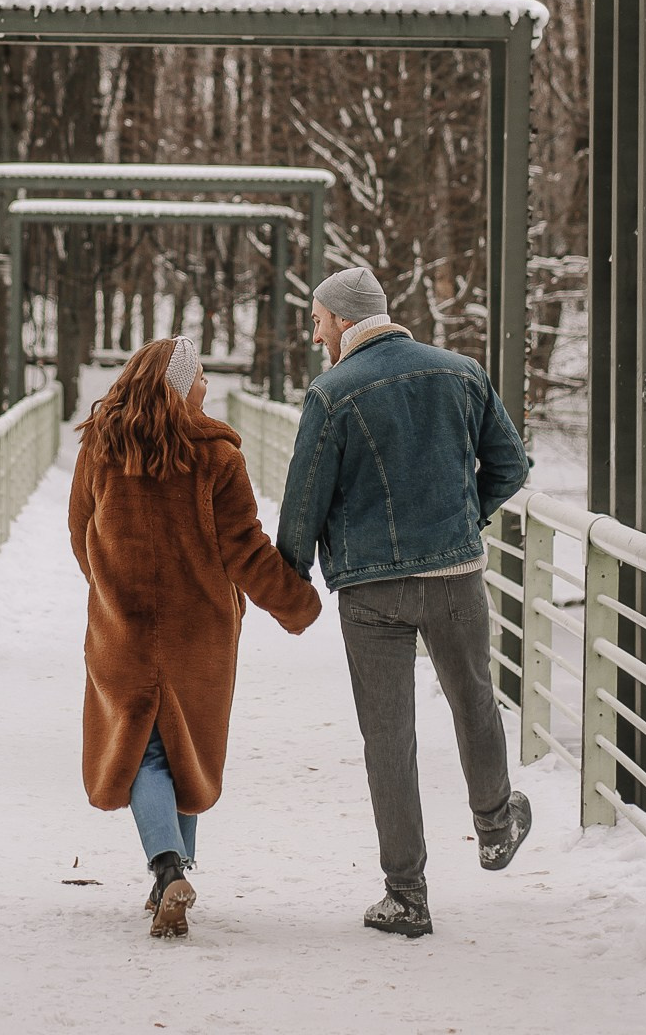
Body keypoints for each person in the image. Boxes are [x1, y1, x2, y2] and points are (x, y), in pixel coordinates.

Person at [276, 265, 531, 939]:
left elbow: (304, 500)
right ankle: (496, 828)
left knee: (388, 737)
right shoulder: (463, 373)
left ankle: (407, 897)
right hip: (455, 576)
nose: (316, 334)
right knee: (474, 699)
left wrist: (289, 578)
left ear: (342, 320)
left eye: (318, 321)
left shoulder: (332, 393)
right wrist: (463, 520)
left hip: (369, 588)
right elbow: (510, 466)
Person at [69, 335, 321, 939]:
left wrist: (109, 586)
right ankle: (171, 871)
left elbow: (81, 531)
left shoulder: (103, 444)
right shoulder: (216, 456)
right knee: (181, 748)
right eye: (200, 374)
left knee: (143, 750)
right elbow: (245, 549)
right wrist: (297, 604)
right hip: (199, 631)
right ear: (179, 386)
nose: (208, 383)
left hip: (123, 626)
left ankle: (167, 872)